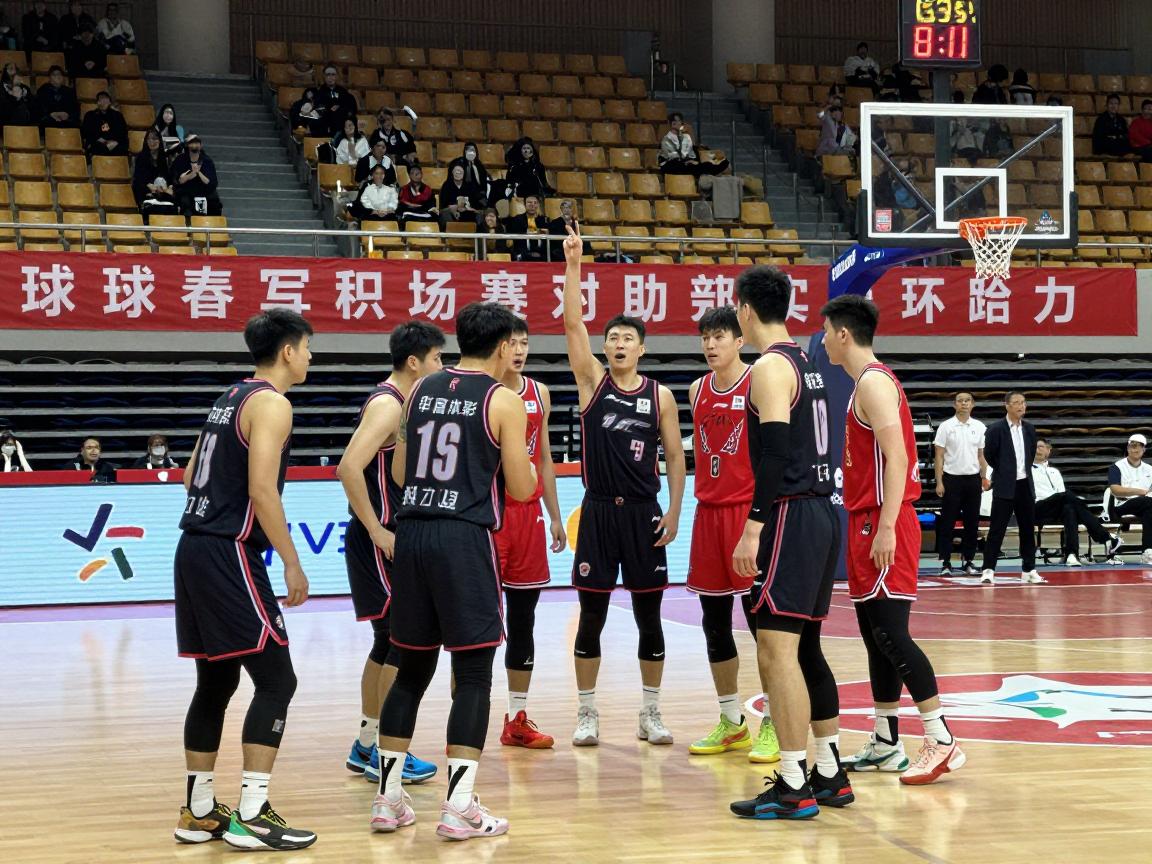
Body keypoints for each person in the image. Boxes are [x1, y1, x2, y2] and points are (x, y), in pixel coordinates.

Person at [371, 302, 536, 841]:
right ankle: (459, 805)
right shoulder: (504, 400)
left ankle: (388, 800)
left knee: (410, 671)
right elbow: (521, 488)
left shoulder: (420, 389)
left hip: (413, 533)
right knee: (472, 675)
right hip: (463, 539)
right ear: (503, 346)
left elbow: (399, 470)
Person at [173, 308, 316, 851]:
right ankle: (253, 814)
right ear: (287, 351)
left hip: (193, 545)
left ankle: (198, 810)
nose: (310, 358)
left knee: (215, 683)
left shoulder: (228, 396)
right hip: (229, 549)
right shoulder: (273, 404)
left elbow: (190, 475)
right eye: (307, 348)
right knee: (278, 680)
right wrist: (292, 561)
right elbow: (262, 489)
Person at [821, 292, 966, 786]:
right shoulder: (865, 382)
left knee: (891, 633)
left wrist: (884, 527)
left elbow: (899, 458)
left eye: (826, 332)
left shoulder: (874, 382)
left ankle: (941, 738)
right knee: (874, 635)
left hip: (885, 520)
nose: (823, 340)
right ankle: (886, 740)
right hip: (866, 518)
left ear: (844, 334)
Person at [727, 267, 849, 821]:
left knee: (776, 650)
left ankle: (795, 782)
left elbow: (775, 453)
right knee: (807, 648)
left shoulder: (770, 366)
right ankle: (829, 772)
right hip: (822, 511)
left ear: (745, 310)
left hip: (792, 513)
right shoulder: (807, 361)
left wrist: (754, 525)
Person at [561, 223, 686, 748]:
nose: (617, 343)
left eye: (626, 338)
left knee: (649, 618)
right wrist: (574, 265)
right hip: (598, 513)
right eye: (611, 338)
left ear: (641, 349)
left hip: (643, 513)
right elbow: (572, 324)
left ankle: (650, 712)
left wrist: (675, 511)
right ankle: (587, 712)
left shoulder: (660, 397)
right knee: (591, 617)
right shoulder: (593, 382)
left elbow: (676, 457)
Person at [337, 322, 444, 789]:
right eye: (437, 358)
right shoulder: (388, 405)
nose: (442, 366)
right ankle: (384, 751)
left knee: (386, 642)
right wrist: (377, 529)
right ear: (414, 362)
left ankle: (367, 744)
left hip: (387, 536)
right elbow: (348, 467)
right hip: (381, 538)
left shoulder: (404, 402)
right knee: (401, 642)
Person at [685, 306, 780, 765]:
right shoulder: (696, 389)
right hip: (708, 513)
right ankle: (731, 721)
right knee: (714, 623)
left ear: (739, 340)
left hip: (748, 515)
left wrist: (758, 523)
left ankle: (775, 722)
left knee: (763, 625)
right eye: (705, 337)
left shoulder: (757, 382)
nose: (710, 344)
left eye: (719, 336)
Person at [494, 319, 566, 749]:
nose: (519, 350)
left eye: (524, 343)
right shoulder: (484, 392)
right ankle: (463, 719)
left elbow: (544, 458)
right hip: (489, 515)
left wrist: (554, 515)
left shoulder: (540, 392)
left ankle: (517, 718)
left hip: (528, 517)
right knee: (477, 625)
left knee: (524, 620)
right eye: (513, 343)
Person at [981, 391, 1042, 585]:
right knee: (997, 529)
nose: (1021, 406)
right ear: (1006, 405)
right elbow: (989, 454)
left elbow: (1031, 453)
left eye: (1023, 402)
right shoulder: (995, 429)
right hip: (1004, 484)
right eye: (1016, 402)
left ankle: (1029, 569)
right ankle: (988, 569)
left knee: (1027, 529)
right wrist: (1005, 471)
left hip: (1025, 484)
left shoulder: (1029, 428)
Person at [1034, 438, 1120, 566]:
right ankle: (1104, 537)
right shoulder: (1026, 470)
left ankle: (1071, 555)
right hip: (1037, 507)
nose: (1037, 449)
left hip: (1056, 509)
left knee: (1069, 508)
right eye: (1035, 447)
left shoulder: (1054, 472)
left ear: (1048, 450)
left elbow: (1063, 497)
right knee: (1068, 496)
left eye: (1040, 446)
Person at [933, 392, 988, 576]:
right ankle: (946, 562)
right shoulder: (946, 426)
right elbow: (939, 456)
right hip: (951, 479)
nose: (964, 403)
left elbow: (981, 455)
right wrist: (939, 482)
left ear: (973, 404)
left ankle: (969, 561)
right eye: (960, 401)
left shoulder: (979, 426)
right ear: (954, 404)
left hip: (973, 480)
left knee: (972, 522)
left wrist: (984, 477)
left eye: (967, 401)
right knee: (947, 522)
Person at [1106, 433, 1152, 563]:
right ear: (1127, 448)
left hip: (1146, 504)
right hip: (1122, 504)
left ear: (1144, 449)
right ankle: (1148, 550)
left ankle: (1148, 551)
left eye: (1139, 447)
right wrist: (1140, 491)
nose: (1135, 449)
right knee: (1148, 502)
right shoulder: (1117, 467)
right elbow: (1115, 489)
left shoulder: (1149, 469)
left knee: (1150, 510)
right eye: (1132, 446)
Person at [659, 112, 730, 176]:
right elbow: (672, 156)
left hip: (684, 164)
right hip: (670, 165)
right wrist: (686, 160)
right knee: (690, 165)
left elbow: (691, 151)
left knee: (703, 164)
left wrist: (690, 132)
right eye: (675, 121)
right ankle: (712, 169)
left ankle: (713, 168)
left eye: (679, 120)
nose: (678, 123)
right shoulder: (666, 139)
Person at [170, 133, 222, 216]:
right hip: (186, 192)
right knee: (184, 202)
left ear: (200, 145)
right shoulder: (180, 160)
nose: (194, 145)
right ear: (187, 145)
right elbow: (177, 181)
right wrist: (190, 175)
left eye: (196, 142)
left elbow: (212, 183)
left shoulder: (207, 161)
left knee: (214, 202)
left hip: (204, 192)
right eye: (192, 142)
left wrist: (198, 173)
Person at [132, 127, 179, 220]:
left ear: (159, 140)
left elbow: (169, 177)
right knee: (138, 186)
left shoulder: (165, 157)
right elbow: (139, 177)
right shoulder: (141, 157)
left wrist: (168, 187)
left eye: (154, 139)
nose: (151, 142)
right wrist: (150, 186)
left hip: (162, 188)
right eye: (149, 139)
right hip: (146, 188)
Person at [313, 66, 357, 137]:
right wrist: (330, 108)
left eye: (333, 74)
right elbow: (318, 109)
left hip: (342, 124)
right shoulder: (319, 92)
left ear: (337, 76)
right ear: (324, 77)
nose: (330, 77)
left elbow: (351, 106)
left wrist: (339, 107)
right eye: (328, 75)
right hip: (326, 125)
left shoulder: (343, 91)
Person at [81, 90, 126, 157]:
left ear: (110, 102)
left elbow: (122, 132)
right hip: (97, 143)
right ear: (97, 102)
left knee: (121, 147)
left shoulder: (117, 115)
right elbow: (87, 133)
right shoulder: (90, 115)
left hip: (114, 144)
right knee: (98, 147)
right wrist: (104, 141)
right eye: (101, 99)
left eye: (106, 99)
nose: (104, 102)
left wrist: (114, 142)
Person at [437, 163, 483, 227]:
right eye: (456, 171)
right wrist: (454, 208)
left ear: (464, 173)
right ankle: (450, 232)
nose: (458, 173)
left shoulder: (471, 186)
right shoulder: (447, 185)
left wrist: (468, 208)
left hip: (468, 212)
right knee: (445, 213)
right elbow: (443, 205)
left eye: (460, 171)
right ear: (452, 173)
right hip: (451, 212)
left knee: (480, 214)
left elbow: (476, 205)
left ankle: (477, 232)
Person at [505, 194, 548, 261]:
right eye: (529, 202)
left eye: (535, 203)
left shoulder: (544, 220)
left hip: (541, 255)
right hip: (522, 254)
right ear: (524, 204)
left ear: (538, 205)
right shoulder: (517, 219)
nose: (532, 205)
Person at [36, 65, 79, 129]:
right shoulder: (43, 90)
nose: (57, 76)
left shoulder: (69, 91)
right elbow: (39, 107)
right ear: (49, 78)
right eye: (54, 74)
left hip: (66, 122)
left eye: (59, 74)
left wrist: (68, 115)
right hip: (48, 121)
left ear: (63, 77)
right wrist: (51, 114)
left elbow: (75, 108)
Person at [1092, 93, 1129, 157]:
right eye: (1111, 103)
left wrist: (1117, 137)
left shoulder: (1121, 119)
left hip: (1118, 144)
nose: (1113, 106)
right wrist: (1114, 137)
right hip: (1105, 147)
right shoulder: (1101, 120)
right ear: (1107, 105)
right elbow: (1100, 138)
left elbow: (1125, 134)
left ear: (1118, 106)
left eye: (1116, 104)